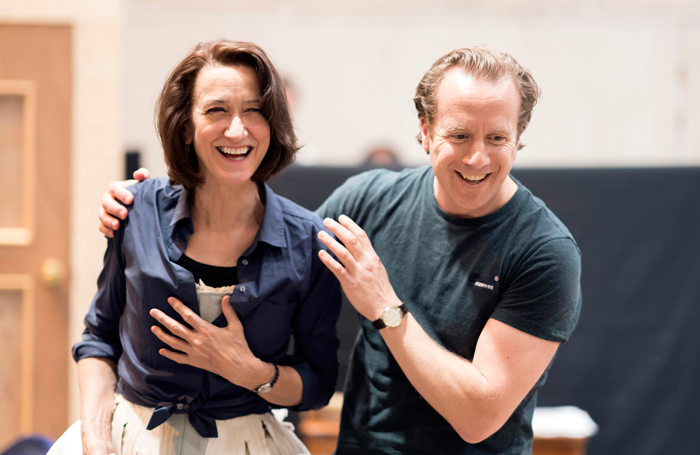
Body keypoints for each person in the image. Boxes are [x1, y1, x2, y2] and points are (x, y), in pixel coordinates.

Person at [99, 46, 581, 454]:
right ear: (426, 130)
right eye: (459, 135)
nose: (478, 157)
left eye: (497, 138)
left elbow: (478, 417)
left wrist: (383, 307)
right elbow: (270, 241)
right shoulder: (369, 201)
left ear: (518, 138)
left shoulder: (544, 252)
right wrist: (147, 206)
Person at [54, 40, 342, 455]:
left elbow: (317, 383)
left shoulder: (308, 241)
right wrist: (96, 438)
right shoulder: (135, 211)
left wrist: (251, 372)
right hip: (128, 437)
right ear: (186, 126)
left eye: (255, 111)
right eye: (217, 110)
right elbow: (98, 340)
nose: (238, 130)